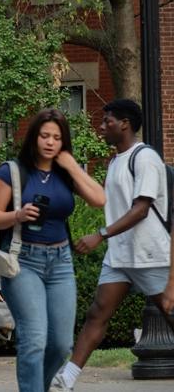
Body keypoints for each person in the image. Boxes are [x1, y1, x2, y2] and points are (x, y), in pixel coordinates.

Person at [0, 108, 104, 392]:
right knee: (34, 337)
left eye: (57, 138)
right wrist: (18, 215)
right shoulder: (12, 171)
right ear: (34, 137)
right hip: (23, 261)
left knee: (62, 342)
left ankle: (40, 386)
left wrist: (72, 165)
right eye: (44, 136)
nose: (50, 142)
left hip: (61, 261)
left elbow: (100, 199)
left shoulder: (66, 173)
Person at [54, 99, 168, 391]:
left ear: (125, 124)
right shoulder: (116, 160)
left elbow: (141, 209)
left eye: (108, 122)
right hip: (120, 256)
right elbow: (111, 205)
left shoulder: (144, 158)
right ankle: (67, 378)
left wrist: (100, 235)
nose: (101, 127)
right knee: (98, 313)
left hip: (150, 253)